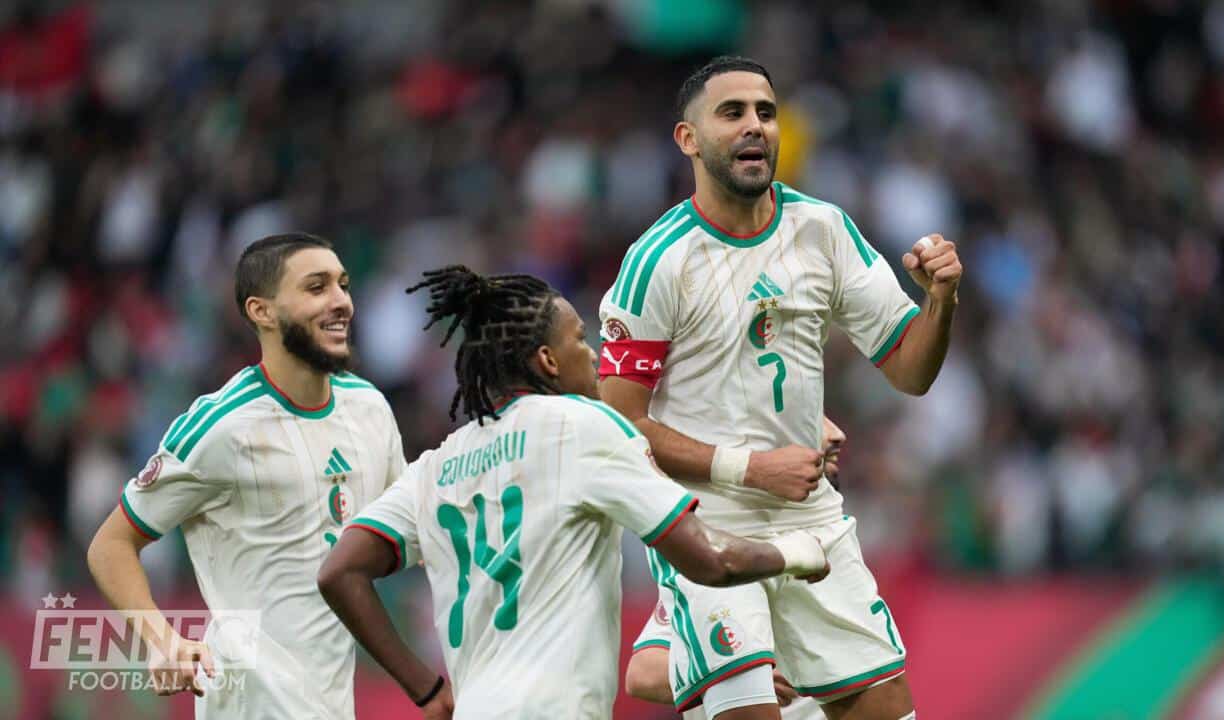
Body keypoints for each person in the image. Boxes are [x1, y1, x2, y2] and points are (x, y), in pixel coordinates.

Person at [598, 55, 963, 720]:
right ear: (688, 139)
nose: (754, 126)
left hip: (813, 521)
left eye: (765, 113)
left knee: (888, 707)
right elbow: (619, 428)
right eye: (732, 113)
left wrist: (940, 300)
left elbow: (911, 372)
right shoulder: (658, 261)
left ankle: (681, 661)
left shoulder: (823, 230)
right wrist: (753, 468)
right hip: (705, 529)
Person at [317, 265, 831, 719]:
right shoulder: (582, 425)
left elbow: (339, 572)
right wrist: (798, 551)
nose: (593, 354)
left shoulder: (434, 467)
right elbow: (711, 560)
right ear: (548, 359)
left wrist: (425, 689)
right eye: (580, 340)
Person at [86, 234, 408, 719]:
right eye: (316, 287)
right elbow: (110, 545)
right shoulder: (221, 427)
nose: (341, 301)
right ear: (262, 311)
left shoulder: (370, 409)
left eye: (343, 285)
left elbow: (407, 531)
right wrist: (163, 640)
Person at [624, 417, 848, 720]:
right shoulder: (742, 562)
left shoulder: (841, 560)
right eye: (817, 420)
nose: (837, 435)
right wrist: (738, 675)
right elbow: (643, 673)